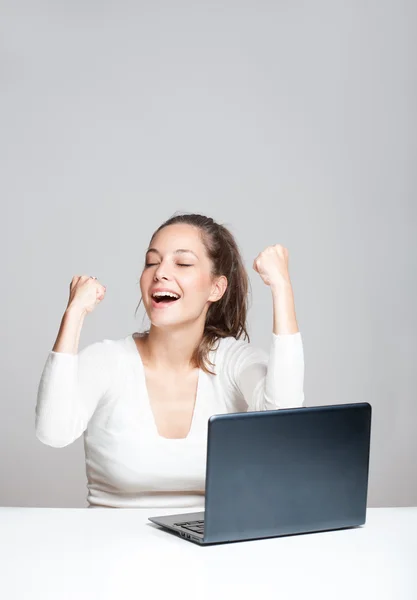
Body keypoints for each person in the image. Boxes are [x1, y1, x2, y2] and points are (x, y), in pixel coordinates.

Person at [35, 213, 305, 509]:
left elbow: (285, 418)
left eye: (183, 263)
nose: (160, 272)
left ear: (216, 288)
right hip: (110, 549)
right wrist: (74, 314)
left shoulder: (232, 362)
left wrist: (282, 288)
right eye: (152, 262)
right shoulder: (107, 361)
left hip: (212, 550)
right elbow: (53, 431)